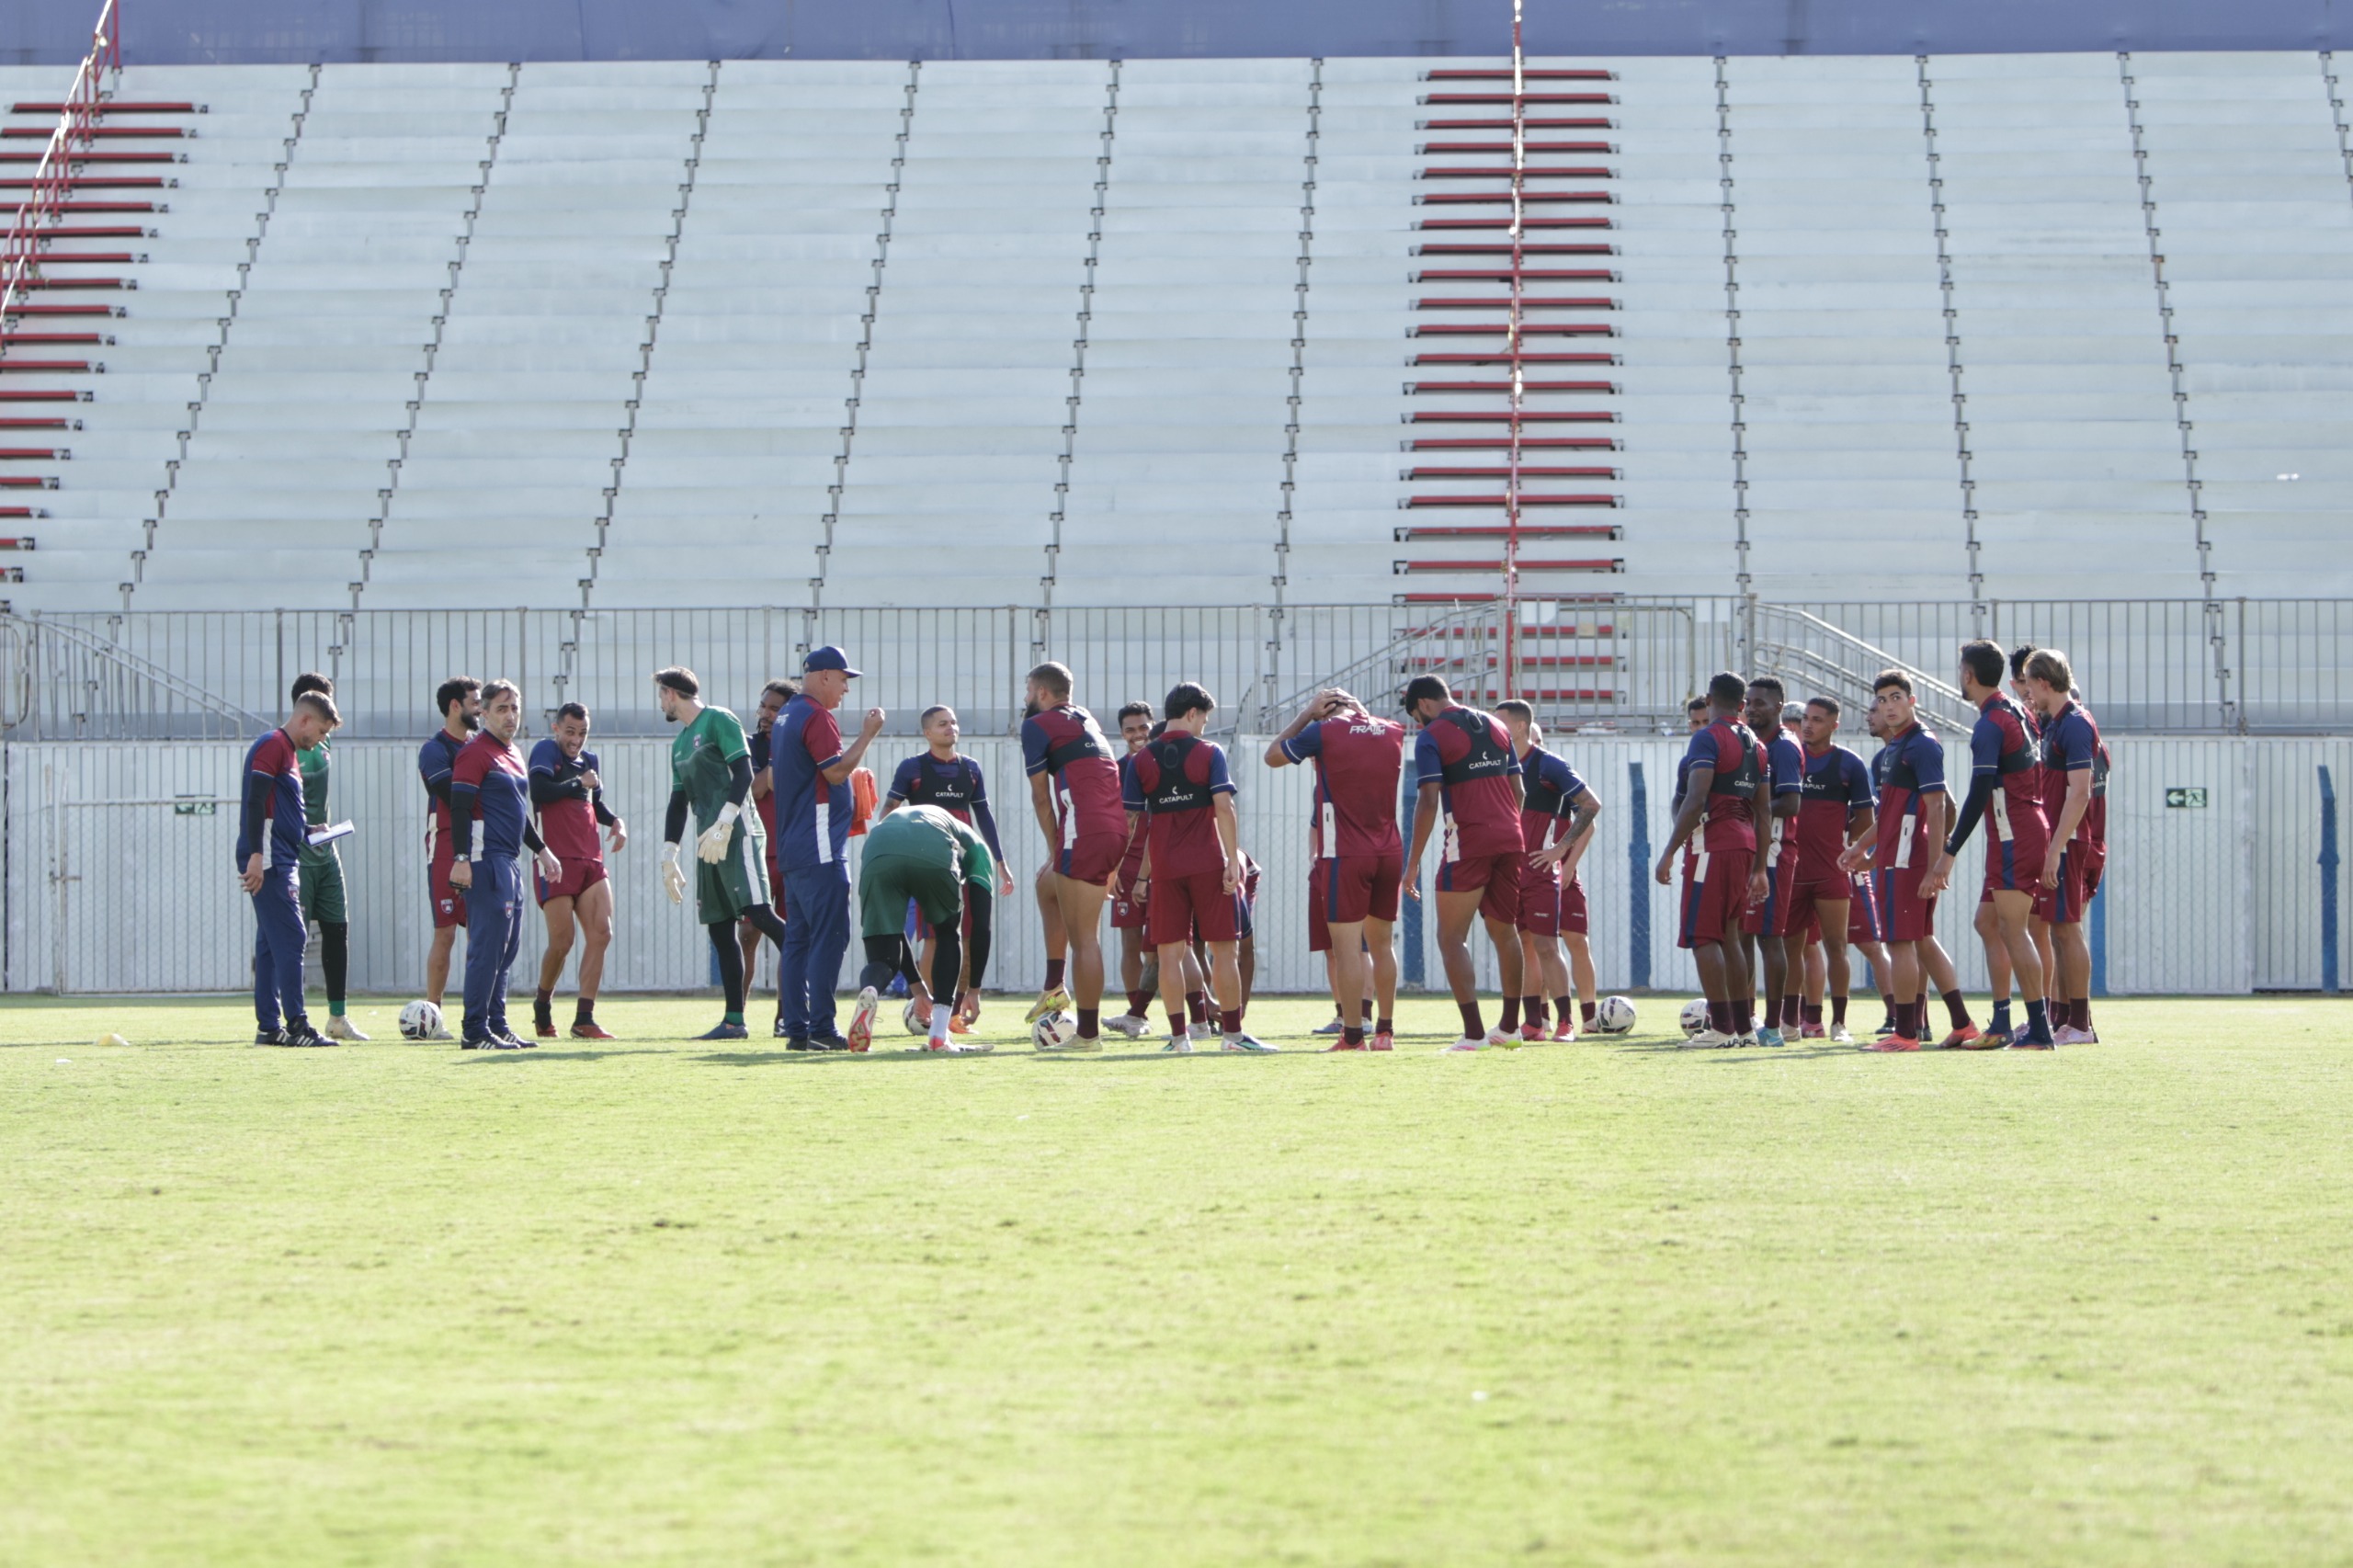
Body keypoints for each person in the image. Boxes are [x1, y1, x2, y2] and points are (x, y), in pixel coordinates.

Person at [656, 666, 801, 1042]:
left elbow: (742, 772)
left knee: (759, 914)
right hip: (709, 840)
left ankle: (810, 997)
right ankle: (734, 1021)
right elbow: (677, 802)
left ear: (671, 693)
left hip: (737, 833)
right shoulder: (680, 743)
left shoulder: (719, 719)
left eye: (661, 694)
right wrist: (669, 852)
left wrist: (726, 820)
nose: (661, 703)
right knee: (721, 929)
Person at [1922, 640, 2055, 1049]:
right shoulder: (2013, 710)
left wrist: (1947, 853)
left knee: (2016, 930)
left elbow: (1980, 792)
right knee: (1987, 923)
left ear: (1967, 675)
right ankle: (2000, 1024)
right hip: (2014, 831)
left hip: (2016, 833)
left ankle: (2039, 1029)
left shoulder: (1991, 723)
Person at [1126, 682, 1271, 1052]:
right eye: (1205, 717)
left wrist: (1119, 870)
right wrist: (1232, 860)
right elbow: (1225, 808)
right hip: (1208, 863)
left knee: (1169, 954)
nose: (1205, 725)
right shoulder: (1209, 752)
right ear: (1192, 713)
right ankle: (1234, 1037)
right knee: (1225, 950)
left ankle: (1179, 1039)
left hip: (1166, 868)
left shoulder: (1141, 759)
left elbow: (1131, 822)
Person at [1838, 670, 1969, 1051]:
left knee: (1899, 942)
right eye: (1882, 700)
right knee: (1922, 941)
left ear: (1913, 701)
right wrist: (1861, 847)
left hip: (1909, 859)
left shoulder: (1922, 745)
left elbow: (1939, 805)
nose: (1888, 706)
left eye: (1896, 697)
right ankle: (1962, 1024)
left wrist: (1935, 866)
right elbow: (1891, 815)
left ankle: (1908, 1033)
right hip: (1898, 856)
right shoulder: (1895, 748)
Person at [1267, 687, 1404, 1051]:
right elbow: (1367, 730)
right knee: (1382, 946)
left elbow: (1272, 756)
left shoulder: (1322, 731)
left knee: (1346, 949)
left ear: (1326, 711)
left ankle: (1354, 1036)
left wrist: (1306, 715)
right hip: (1389, 851)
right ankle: (1385, 1033)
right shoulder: (1392, 730)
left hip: (1345, 852)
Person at [1402, 675, 1527, 1052]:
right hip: (1512, 837)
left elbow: (1427, 801)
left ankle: (1473, 1034)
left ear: (1424, 703)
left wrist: (1412, 866)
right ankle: (1509, 1028)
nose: (1418, 726)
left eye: (1416, 717)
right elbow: (1519, 790)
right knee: (1506, 932)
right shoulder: (1497, 725)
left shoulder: (1432, 735)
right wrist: (1506, 829)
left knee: (1450, 936)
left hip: (1469, 839)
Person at [1655, 672, 1771, 1047]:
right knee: (1732, 936)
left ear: (1709, 700)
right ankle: (1743, 1028)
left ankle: (1720, 1028)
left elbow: (1696, 797)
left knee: (1703, 935)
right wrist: (1758, 867)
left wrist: (1670, 851)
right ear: (1742, 704)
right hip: (1745, 844)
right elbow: (1765, 811)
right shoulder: (1757, 743)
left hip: (1712, 844)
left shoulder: (1707, 737)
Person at [884, 704, 1017, 1032]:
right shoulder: (912, 768)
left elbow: (983, 815)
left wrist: (999, 860)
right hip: (930, 858)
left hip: (967, 856)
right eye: (942, 724)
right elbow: (889, 808)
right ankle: (927, 1009)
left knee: (969, 935)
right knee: (934, 937)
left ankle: (955, 1014)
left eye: (954, 722)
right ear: (927, 732)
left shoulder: (970, 768)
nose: (951, 728)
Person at [448, 680, 562, 1050]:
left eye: (515, 707)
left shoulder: (511, 753)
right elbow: (461, 808)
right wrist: (462, 859)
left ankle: (496, 1023)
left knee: (507, 947)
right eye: (501, 708)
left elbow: (519, 814)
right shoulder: (474, 752)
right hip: (485, 860)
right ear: (482, 712)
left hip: (510, 861)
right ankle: (474, 1029)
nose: (511, 715)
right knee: (487, 946)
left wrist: (542, 850)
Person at [1021, 661, 1127, 1049]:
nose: (1026, 698)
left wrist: (1055, 848)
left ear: (1042, 693)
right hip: (1114, 831)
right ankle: (1054, 985)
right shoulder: (1086, 718)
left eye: (1028, 690)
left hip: (1083, 832)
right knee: (1045, 884)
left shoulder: (1036, 724)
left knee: (1086, 939)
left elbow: (1040, 798)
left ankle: (1087, 1035)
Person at [845, 803, 997, 1055]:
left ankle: (870, 990)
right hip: (932, 846)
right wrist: (974, 989)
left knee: (884, 949)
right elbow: (981, 926)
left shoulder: (900, 822)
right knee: (948, 932)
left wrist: (917, 988)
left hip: (878, 845)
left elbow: (895, 931)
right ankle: (938, 1035)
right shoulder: (978, 847)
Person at [239, 688, 342, 1047]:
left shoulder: (289, 752)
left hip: (280, 853)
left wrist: (310, 830)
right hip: (269, 858)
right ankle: (297, 1024)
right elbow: (255, 801)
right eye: (322, 732)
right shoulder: (273, 744)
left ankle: (269, 1027)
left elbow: (279, 809)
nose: (321, 740)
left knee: (270, 942)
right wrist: (256, 855)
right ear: (305, 720)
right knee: (293, 937)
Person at [1495, 699, 1600, 1043]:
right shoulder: (1496, 764)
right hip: (1508, 872)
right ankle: (1533, 1023)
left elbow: (1591, 805)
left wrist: (1560, 850)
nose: (1496, 729)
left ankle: (1567, 1022)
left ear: (1521, 727)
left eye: (1501, 723)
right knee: (1522, 946)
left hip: (1540, 872)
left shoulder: (1548, 764)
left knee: (1546, 945)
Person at [2024, 647, 2109, 1045]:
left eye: (2029, 685)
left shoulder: (2075, 723)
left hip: (2069, 841)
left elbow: (2079, 793)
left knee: (2067, 928)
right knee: (2058, 930)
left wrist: (2056, 847)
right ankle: (2065, 1020)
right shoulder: (2056, 723)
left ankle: (2080, 1023)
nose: (2028, 695)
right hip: (2057, 841)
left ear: (2043, 682)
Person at [529, 701, 626, 1040]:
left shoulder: (590, 761)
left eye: (582, 733)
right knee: (562, 942)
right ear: (556, 729)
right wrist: (578, 783)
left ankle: (584, 1017)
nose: (576, 740)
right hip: (556, 859)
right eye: (570, 732)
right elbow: (539, 791)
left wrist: (615, 821)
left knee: (602, 932)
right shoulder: (544, 750)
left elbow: (594, 803)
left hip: (590, 858)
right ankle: (542, 1003)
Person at [1789, 695, 1878, 1045]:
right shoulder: (1788, 759)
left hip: (1831, 871)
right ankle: (1791, 1022)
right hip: (1792, 870)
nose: (1809, 724)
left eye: (1818, 719)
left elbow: (1867, 818)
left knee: (1837, 946)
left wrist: (1850, 851)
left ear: (1834, 725)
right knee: (1790, 948)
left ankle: (1839, 1024)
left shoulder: (1849, 764)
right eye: (1806, 718)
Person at [288, 673, 363, 1040]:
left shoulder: (325, 740)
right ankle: (290, 1018)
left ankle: (338, 1017)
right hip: (297, 851)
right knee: (293, 936)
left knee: (337, 929)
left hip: (325, 847)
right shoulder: (287, 745)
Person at [1733, 677, 1804, 1049]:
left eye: (1761, 702)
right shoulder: (1750, 743)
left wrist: (1742, 811)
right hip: (1751, 849)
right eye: (1749, 702)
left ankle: (1775, 1027)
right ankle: (1745, 1020)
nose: (1753, 707)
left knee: (1769, 937)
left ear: (1780, 706)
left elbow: (1791, 804)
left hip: (1775, 852)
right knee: (1743, 934)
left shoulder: (1785, 748)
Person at [415, 676, 483, 1033]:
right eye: (475, 701)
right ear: (455, 705)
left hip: (482, 846)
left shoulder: (483, 746)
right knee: (445, 933)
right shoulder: (434, 749)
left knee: (481, 932)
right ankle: (433, 1017)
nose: (480, 708)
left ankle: (478, 1014)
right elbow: (449, 791)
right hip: (444, 847)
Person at [739, 677, 798, 1021]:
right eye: (763, 706)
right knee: (747, 934)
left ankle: (785, 1016)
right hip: (756, 853)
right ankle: (737, 1013)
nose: (765, 713)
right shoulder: (748, 747)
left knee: (792, 939)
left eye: (774, 708)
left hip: (794, 854)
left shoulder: (802, 744)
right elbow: (756, 789)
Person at [1105, 700, 1160, 1037]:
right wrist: (1112, 865)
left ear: (1153, 726)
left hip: (1166, 864)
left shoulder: (1169, 762)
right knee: (1131, 942)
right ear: (1122, 734)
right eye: (1130, 729)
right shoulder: (1116, 770)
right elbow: (1115, 822)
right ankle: (1135, 1016)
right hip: (1127, 867)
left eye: (1143, 727)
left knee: (1174, 946)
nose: (1138, 735)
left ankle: (1201, 1013)